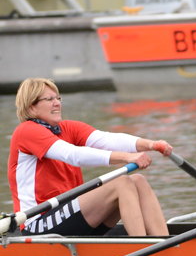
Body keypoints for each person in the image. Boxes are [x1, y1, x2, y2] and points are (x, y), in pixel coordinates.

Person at [7, 77, 171, 236]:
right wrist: (127, 157)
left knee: (138, 180)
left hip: (72, 216)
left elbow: (108, 139)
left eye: (58, 98)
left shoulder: (68, 128)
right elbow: (72, 154)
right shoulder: (27, 131)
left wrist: (151, 144)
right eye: (49, 99)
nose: (57, 103)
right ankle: (143, 249)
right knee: (121, 183)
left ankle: (165, 245)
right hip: (38, 223)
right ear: (31, 107)